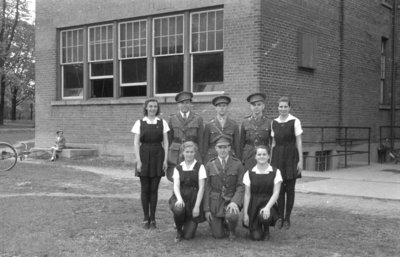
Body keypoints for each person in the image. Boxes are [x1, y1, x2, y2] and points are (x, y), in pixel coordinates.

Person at [132, 98, 169, 229]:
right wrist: (138, 161)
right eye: (150, 106)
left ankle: (153, 218)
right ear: (146, 108)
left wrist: (165, 160)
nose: (153, 108)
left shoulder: (162, 122)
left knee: (154, 189)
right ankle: (145, 218)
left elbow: (166, 142)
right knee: (145, 189)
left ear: (157, 108)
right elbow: (136, 143)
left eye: (155, 106)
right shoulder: (140, 123)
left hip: (158, 156)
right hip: (144, 155)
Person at [203, 134, 245, 240]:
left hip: (230, 199)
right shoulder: (209, 165)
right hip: (215, 202)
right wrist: (207, 209)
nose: (223, 150)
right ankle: (221, 222)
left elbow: (241, 185)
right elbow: (207, 187)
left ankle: (232, 230)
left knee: (232, 215)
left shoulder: (237, 164)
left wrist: (235, 201)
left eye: (225, 147)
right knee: (218, 235)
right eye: (220, 147)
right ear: (216, 148)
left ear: (229, 148)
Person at [270, 96, 303, 229]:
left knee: (290, 189)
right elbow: (273, 143)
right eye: (280, 106)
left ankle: (287, 217)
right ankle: (280, 218)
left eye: (285, 106)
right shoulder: (274, 122)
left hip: (291, 156)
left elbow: (299, 141)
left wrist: (300, 160)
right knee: (279, 189)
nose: (283, 109)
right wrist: (271, 162)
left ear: (289, 108)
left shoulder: (295, 121)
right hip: (278, 156)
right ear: (278, 108)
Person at [169, 141, 206, 242]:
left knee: (188, 236)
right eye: (187, 152)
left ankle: (184, 222)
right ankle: (179, 231)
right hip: (181, 195)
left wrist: (197, 206)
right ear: (183, 153)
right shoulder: (178, 168)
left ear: (195, 153)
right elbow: (176, 186)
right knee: (178, 209)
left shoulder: (200, 167)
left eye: (191, 152)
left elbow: (201, 187)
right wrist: (179, 199)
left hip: (194, 198)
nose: (189, 154)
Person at [243, 145, 282, 241]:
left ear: (269, 156)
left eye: (264, 154)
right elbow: (247, 195)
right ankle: (256, 227)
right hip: (254, 205)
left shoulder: (276, 172)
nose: (262, 157)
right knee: (256, 237)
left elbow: (276, 193)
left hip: (269, 203)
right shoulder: (249, 173)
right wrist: (245, 214)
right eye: (259, 154)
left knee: (265, 216)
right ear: (255, 157)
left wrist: (268, 207)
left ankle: (266, 230)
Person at [167, 91, 204, 181]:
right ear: (178, 105)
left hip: (192, 152)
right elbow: (169, 139)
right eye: (182, 103)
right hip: (176, 154)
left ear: (190, 104)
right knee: (176, 178)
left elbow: (201, 140)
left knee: (192, 177)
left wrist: (201, 156)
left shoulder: (198, 119)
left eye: (187, 102)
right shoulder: (172, 119)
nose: (184, 105)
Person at [239, 93, 272, 171]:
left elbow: (272, 142)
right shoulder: (245, 122)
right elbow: (241, 143)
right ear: (250, 107)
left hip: (263, 155)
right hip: (249, 156)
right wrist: (241, 158)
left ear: (263, 106)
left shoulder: (269, 122)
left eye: (259, 104)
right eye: (254, 105)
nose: (256, 107)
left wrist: (270, 156)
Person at [203, 95, 240, 163]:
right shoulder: (209, 125)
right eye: (219, 106)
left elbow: (237, 145)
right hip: (212, 157)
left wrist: (238, 159)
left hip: (229, 156)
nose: (222, 108)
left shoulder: (234, 125)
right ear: (216, 108)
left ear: (227, 108)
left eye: (224, 106)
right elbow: (205, 145)